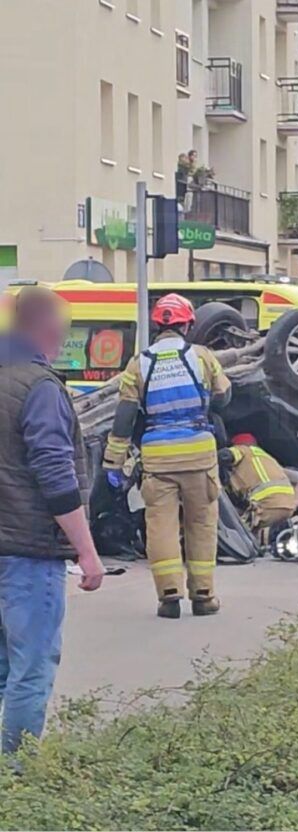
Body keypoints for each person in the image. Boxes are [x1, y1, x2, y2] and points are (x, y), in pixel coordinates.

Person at [0, 287, 104, 754]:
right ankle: (18, 779)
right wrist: (86, 551)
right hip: (26, 550)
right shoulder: (39, 387)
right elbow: (55, 474)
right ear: (48, 329)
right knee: (31, 666)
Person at [103, 294, 231, 619]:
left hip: (158, 459)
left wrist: (113, 463)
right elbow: (224, 396)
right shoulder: (202, 357)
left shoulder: (139, 363)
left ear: (158, 326)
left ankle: (169, 595)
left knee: (160, 526)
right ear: (188, 325)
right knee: (201, 523)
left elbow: (124, 417)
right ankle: (203, 595)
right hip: (199, 456)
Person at [219, 433, 296, 535]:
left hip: (267, 504)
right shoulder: (266, 457)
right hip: (290, 505)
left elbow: (225, 455)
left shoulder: (243, 450)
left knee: (241, 535)